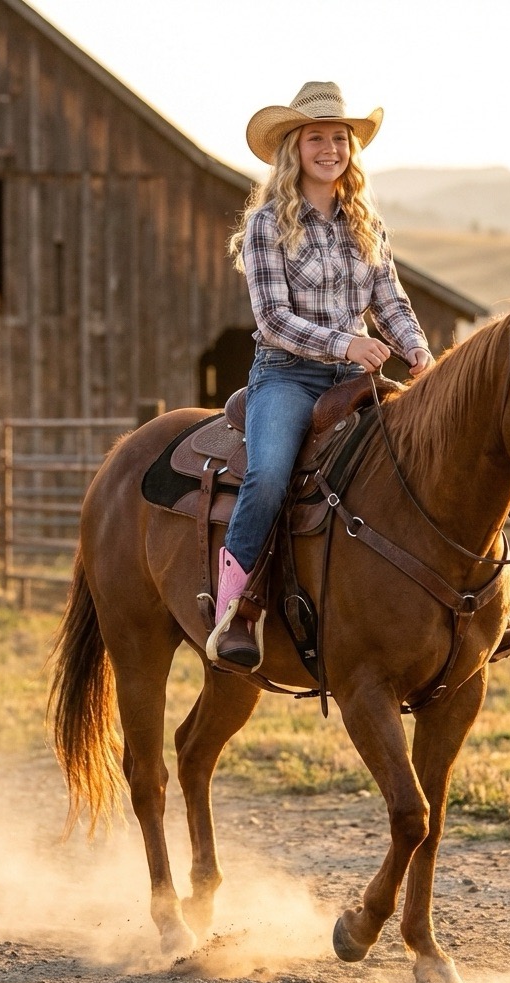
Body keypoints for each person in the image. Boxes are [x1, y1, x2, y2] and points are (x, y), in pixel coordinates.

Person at [208, 81, 433, 669]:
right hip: (287, 375)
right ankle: (237, 611)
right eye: (317, 138)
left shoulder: (366, 222)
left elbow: (393, 303)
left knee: (428, 458)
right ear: (295, 148)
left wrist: (420, 354)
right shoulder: (265, 225)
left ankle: (456, 606)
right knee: (269, 476)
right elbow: (274, 319)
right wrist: (346, 341)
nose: (330, 147)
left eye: (340, 137)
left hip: (355, 378)